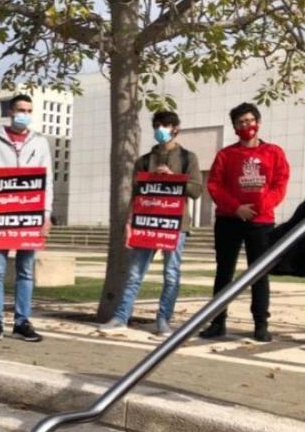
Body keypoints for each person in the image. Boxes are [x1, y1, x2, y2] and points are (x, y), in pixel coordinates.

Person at [99, 110, 202, 335]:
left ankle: (163, 319)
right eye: (157, 126)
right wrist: (129, 223)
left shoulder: (188, 158)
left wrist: (173, 177)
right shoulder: (144, 161)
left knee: (171, 274)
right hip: (146, 223)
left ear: (176, 129)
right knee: (135, 273)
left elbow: (196, 190)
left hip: (175, 225)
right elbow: (136, 195)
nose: (160, 130)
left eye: (165, 126)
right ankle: (120, 317)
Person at [199, 102, 290, 342]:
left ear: (258, 122)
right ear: (235, 127)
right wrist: (236, 208)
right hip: (229, 220)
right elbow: (214, 185)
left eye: (249, 120)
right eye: (240, 122)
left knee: (259, 272)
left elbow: (279, 185)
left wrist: (258, 207)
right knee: (224, 272)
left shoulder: (274, 152)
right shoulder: (225, 155)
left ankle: (261, 324)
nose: (246, 125)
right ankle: (217, 322)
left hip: (261, 222)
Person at [0, 94, 53, 342]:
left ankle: (22, 322)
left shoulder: (40, 141)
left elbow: (47, 180)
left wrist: (46, 214)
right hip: (0, 213)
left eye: (29, 110)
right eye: (20, 110)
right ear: (10, 111)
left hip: (29, 215)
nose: (24, 114)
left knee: (26, 271)